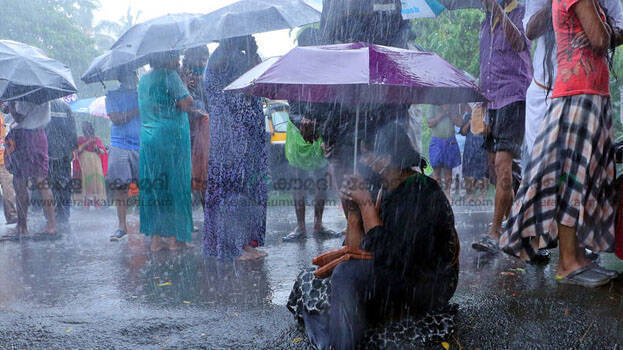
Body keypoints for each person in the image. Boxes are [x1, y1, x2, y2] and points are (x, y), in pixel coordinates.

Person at [289, 124, 459, 350]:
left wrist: (366, 204)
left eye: (367, 155)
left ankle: (341, 343)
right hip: (394, 278)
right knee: (312, 278)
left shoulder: (421, 191)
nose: (363, 161)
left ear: (386, 159)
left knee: (345, 277)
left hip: (426, 286)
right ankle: (336, 338)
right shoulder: (383, 188)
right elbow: (357, 250)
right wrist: (353, 213)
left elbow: (390, 256)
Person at [501, 0, 617, 287]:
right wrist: (603, 30)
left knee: (582, 176)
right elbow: (600, 38)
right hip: (578, 89)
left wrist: (603, 30)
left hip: (585, 89)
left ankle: (576, 255)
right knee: (572, 177)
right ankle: (567, 261)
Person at [521, 0, 623, 167]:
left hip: (585, 92)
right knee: (542, 170)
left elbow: (615, 31)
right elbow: (530, 30)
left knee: (580, 170)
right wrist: (560, 5)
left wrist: (600, 29)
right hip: (545, 94)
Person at [472, 0, 533, 253]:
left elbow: (520, 43)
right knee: (495, 169)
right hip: (490, 100)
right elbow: (485, 62)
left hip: (513, 97)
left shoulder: (523, 12)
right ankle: (520, 225)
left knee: (502, 165)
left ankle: (495, 233)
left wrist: (498, 10)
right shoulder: (486, 21)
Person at [203, 36, 269, 260]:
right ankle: (236, 247)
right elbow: (254, 86)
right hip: (239, 138)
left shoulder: (217, 58)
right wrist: (252, 56)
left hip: (228, 137)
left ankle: (231, 245)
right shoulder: (230, 58)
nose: (251, 38)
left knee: (229, 189)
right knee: (240, 189)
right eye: (247, 35)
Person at [138, 52, 202, 252]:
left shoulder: (144, 79)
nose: (179, 61)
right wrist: (183, 84)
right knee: (176, 184)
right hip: (171, 137)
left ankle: (156, 239)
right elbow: (186, 103)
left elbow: (157, 104)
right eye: (176, 57)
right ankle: (176, 238)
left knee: (155, 185)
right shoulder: (170, 76)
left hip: (149, 138)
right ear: (167, 57)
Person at [4, 100, 56, 236]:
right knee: (40, 181)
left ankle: (23, 227)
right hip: (39, 135)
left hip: (24, 136)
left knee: (20, 181)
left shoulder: (24, 89)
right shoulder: (43, 91)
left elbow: (19, 117)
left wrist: (10, 104)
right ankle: (50, 225)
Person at [105, 71, 141, 241]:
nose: (132, 78)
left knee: (148, 185)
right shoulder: (111, 95)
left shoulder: (142, 93)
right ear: (121, 77)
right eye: (129, 75)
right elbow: (116, 119)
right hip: (120, 145)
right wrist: (137, 109)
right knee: (121, 187)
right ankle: (121, 226)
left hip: (142, 143)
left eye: (134, 75)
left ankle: (148, 224)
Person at [181, 46, 211, 209]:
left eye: (204, 59)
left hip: (203, 132)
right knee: (187, 177)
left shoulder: (205, 79)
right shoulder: (180, 76)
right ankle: (187, 220)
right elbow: (182, 103)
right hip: (185, 132)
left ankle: (209, 218)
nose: (201, 62)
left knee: (204, 175)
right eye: (199, 58)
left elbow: (209, 103)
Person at [46, 99, 77, 223]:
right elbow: (72, 130)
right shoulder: (65, 107)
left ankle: (50, 214)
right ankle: (64, 213)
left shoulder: (43, 106)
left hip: (48, 152)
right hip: (64, 152)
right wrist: (72, 148)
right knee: (64, 184)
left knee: (48, 185)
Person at [427, 105, 463, 199]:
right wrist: (443, 113)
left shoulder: (453, 105)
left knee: (448, 170)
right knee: (436, 170)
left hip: (450, 141)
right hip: (437, 141)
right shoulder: (433, 106)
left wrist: (450, 113)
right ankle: (437, 194)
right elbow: (430, 123)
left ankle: (447, 194)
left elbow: (460, 123)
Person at [460, 104, 488, 204]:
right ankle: (470, 194)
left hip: (482, 146)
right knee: (468, 172)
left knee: (482, 172)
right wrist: (470, 121)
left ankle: (482, 195)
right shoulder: (468, 115)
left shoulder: (486, 115)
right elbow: (463, 132)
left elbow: (488, 131)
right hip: (470, 147)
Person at [75, 121, 107, 208]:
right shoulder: (80, 139)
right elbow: (77, 150)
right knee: (85, 181)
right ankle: (86, 203)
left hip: (95, 163)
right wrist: (87, 143)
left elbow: (103, 152)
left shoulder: (97, 139)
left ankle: (97, 204)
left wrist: (97, 149)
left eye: (86, 127)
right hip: (84, 162)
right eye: (83, 128)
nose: (85, 129)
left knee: (95, 181)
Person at [0, 108, 17, 224]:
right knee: (8, 189)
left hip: (3, 160)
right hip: (3, 159)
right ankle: (11, 215)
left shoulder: (1, 117)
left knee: (8, 190)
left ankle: (11, 215)